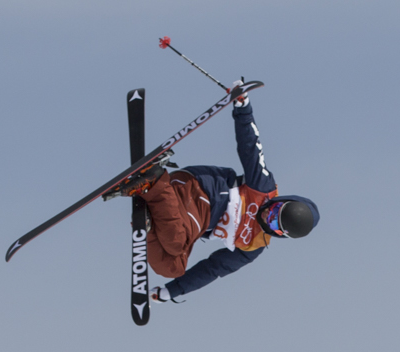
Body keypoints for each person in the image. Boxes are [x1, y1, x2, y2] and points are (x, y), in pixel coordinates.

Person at [132, 83, 318, 302]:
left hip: (193, 222)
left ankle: (150, 218)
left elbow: (214, 268)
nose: (269, 216)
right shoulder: (263, 189)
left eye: (276, 225)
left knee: (172, 267)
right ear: (281, 201)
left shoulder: (253, 245)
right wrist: (243, 109)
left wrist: (171, 291)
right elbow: (250, 149)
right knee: (176, 240)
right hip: (200, 191)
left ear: (279, 235)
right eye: (276, 208)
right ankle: (155, 182)